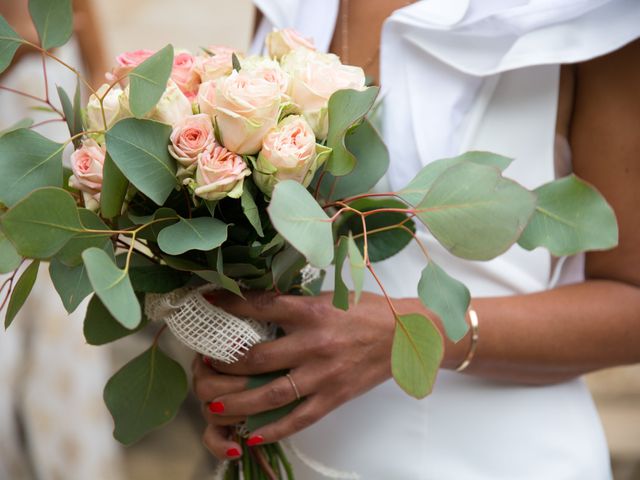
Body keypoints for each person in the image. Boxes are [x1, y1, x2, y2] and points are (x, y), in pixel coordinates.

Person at [192, 1, 640, 478]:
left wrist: (412, 334)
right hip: (298, 454)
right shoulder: (290, 8)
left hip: (497, 456)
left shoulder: (587, 14)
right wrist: (236, 359)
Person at [0, 2, 125, 479]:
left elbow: (101, 75)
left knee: (66, 344)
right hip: (7, 202)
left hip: (65, 193)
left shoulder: (70, 16)